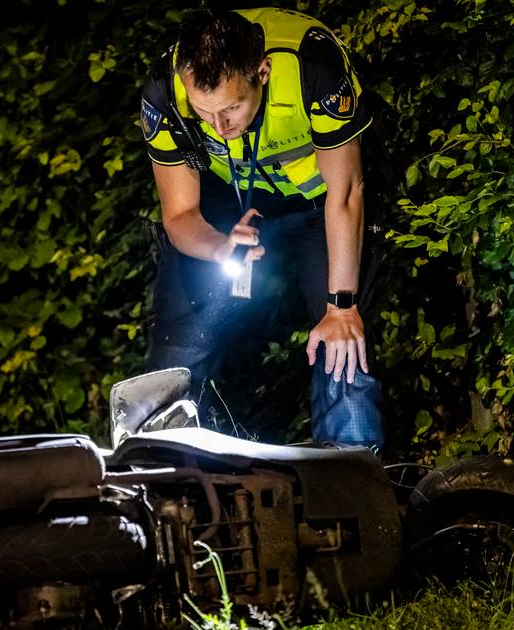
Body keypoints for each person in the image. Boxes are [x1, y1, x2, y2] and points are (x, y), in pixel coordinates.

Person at [139, 7, 384, 450]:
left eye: (232, 107)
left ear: (263, 72)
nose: (220, 127)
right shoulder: (164, 90)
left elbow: (346, 194)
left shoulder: (311, 63)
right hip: (228, 206)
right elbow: (179, 217)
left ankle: (354, 476)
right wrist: (219, 249)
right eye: (205, 112)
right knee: (177, 347)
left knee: (343, 342)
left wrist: (342, 307)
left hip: (318, 203)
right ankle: (159, 470)